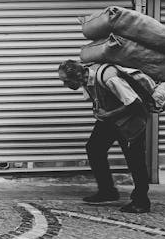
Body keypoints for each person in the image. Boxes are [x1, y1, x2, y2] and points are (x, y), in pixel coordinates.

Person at [57, 59, 151, 213]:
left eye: (66, 81)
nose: (65, 85)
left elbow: (135, 103)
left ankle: (141, 201)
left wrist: (108, 114)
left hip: (131, 121)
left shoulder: (109, 78)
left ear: (78, 75)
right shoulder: (87, 79)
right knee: (94, 148)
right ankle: (107, 191)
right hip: (111, 120)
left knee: (135, 160)